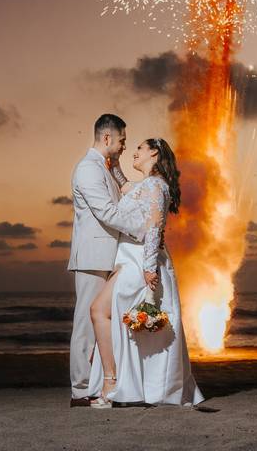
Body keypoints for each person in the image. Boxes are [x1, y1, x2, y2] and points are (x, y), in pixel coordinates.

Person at [86, 137, 204, 407]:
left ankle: (112, 381)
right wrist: (114, 164)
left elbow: (154, 227)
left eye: (139, 148)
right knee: (114, 317)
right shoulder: (149, 185)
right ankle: (120, 382)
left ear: (154, 152)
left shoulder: (154, 186)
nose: (134, 153)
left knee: (101, 311)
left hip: (139, 260)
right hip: (131, 258)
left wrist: (149, 268)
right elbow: (126, 186)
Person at [67, 114, 142, 407]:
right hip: (93, 256)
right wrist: (142, 231)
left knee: (106, 324)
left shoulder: (104, 167)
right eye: (122, 140)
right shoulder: (87, 169)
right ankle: (81, 389)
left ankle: (101, 384)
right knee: (86, 323)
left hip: (109, 255)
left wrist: (118, 170)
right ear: (107, 138)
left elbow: (124, 194)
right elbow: (107, 213)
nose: (125, 146)